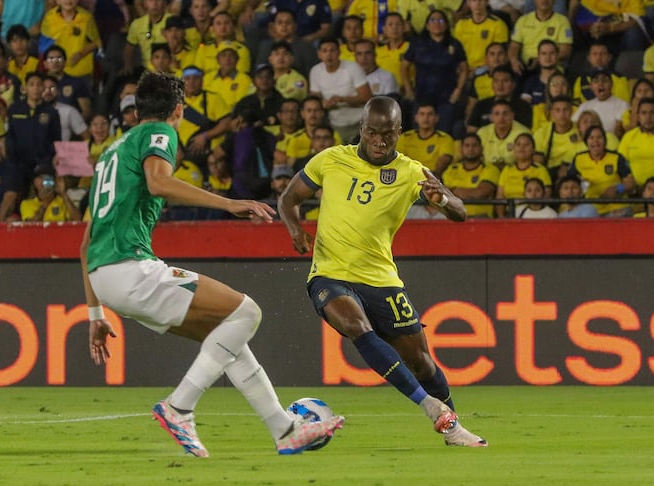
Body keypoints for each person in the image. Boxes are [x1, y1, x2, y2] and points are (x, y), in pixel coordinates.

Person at [81, 71, 344, 457]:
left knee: (227, 333)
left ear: (136, 111)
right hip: (131, 267)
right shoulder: (161, 133)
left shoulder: (110, 153)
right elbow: (159, 182)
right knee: (246, 312)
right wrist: (228, 203)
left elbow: (86, 241)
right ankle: (179, 406)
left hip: (105, 276)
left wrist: (94, 311)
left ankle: (284, 429)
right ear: (179, 110)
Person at [277, 95, 487, 448]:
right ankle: (431, 409)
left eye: (387, 134)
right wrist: (295, 229)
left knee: (422, 364)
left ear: (399, 132)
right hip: (330, 273)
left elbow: (461, 211)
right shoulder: (330, 159)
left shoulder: (411, 172)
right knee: (356, 326)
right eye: (372, 133)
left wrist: (444, 201)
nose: (379, 141)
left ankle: (453, 428)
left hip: (382, 279)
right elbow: (288, 199)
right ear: (361, 129)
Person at [401, 10, 468, 138]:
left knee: (443, 134)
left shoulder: (454, 44)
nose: (437, 23)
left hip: (446, 97)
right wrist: (408, 88)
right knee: (419, 134)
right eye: (433, 20)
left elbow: (464, 69)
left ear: (447, 25)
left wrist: (458, 91)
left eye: (441, 20)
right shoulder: (417, 43)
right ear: (427, 25)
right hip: (421, 95)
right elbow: (404, 67)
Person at [309, 36, 372, 143]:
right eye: (324, 51)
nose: (329, 54)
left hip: (359, 124)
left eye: (332, 50)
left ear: (339, 52)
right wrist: (323, 104)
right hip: (334, 126)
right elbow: (315, 100)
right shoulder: (315, 71)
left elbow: (367, 97)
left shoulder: (353, 68)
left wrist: (342, 99)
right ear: (319, 54)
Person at [566, 125, 635, 217]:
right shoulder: (579, 158)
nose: (595, 141)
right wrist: (581, 184)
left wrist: (617, 189)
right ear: (586, 141)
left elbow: (631, 183)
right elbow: (570, 181)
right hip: (590, 210)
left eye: (599, 137)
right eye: (591, 138)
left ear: (605, 141)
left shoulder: (616, 158)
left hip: (617, 208)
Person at [39, 0, 101, 81]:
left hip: (81, 71)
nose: (68, 1)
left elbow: (96, 42)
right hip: (57, 72)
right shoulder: (49, 18)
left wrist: (80, 54)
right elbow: (44, 47)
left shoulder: (86, 17)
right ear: (57, 1)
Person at [442, 133, 501, 218]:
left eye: (474, 145)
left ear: (481, 148)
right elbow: (445, 194)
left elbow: (481, 194)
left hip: (481, 217)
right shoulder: (451, 169)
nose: (471, 149)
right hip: (454, 215)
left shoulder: (490, 169)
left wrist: (454, 190)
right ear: (461, 149)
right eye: (467, 145)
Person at [496, 132, 552, 216]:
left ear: (533, 150)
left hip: (531, 214)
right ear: (514, 148)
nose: (522, 147)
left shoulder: (540, 170)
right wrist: (502, 218)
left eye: (526, 145)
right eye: (518, 144)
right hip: (510, 214)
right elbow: (500, 196)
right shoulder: (507, 170)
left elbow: (546, 195)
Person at [396, 102, 455, 178]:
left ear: (436, 118)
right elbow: (398, 160)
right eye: (422, 114)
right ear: (416, 118)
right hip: (407, 177)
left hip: (432, 178)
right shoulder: (405, 137)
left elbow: (443, 162)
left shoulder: (445, 139)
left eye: (430, 114)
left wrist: (431, 177)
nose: (426, 118)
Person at [572, 69, 628, 139]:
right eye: (596, 81)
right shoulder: (585, 106)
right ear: (591, 86)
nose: (600, 84)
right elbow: (574, 125)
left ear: (611, 84)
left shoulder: (622, 104)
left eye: (604, 81)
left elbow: (620, 133)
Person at [618, 97, 654, 187]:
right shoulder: (629, 136)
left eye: (652, 113)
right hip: (633, 190)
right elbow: (620, 164)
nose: (648, 117)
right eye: (644, 113)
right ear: (638, 117)